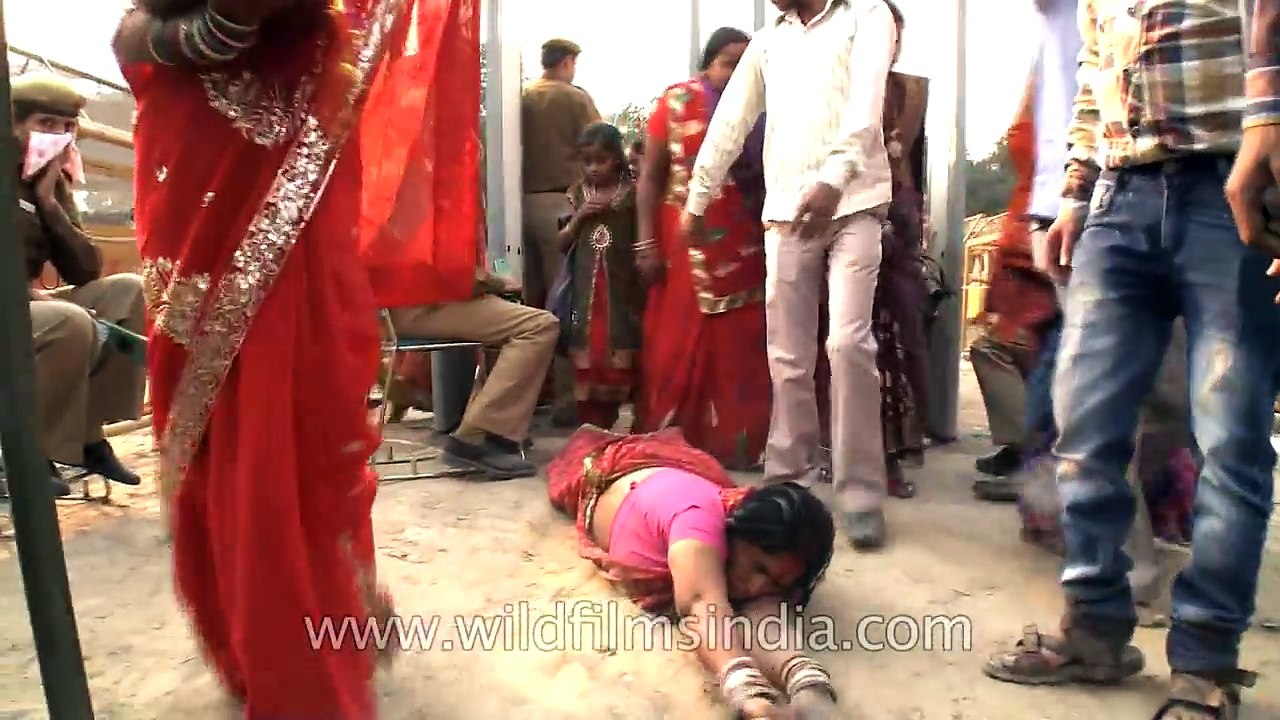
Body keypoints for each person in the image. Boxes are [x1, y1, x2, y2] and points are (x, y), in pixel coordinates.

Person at [115, 0, 478, 715]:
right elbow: (138, 24)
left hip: (295, 188)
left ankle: (321, 620)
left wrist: (200, 28)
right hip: (204, 182)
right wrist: (195, 31)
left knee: (301, 419)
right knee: (236, 430)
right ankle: (282, 633)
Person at [982, 2, 1280, 716]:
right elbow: (1096, 77)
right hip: (1121, 193)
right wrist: (1075, 195)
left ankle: (1205, 661)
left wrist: (1269, 118)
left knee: (1230, 439)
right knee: (1083, 428)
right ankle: (1095, 629)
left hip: (1234, 182)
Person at [682, 0, 899, 549]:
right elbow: (731, 119)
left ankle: (860, 493)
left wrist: (833, 179)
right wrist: (698, 196)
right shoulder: (767, 42)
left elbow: (865, 110)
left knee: (848, 344)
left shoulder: (866, 16)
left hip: (855, 202)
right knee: (787, 354)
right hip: (787, 212)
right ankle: (789, 483)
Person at [546, 425, 838, 719]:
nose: (754, 587)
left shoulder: (750, 551)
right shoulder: (697, 522)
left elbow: (763, 608)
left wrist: (808, 684)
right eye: (757, 567)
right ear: (734, 531)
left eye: (774, 582)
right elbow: (703, 606)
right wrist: (749, 695)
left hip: (685, 479)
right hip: (633, 468)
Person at [633, 28, 770, 469]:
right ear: (707, 64)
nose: (736, 73)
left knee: (742, 345)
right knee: (677, 340)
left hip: (750, 247)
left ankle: (740, 445)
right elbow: (651, 178)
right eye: (729, 63)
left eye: (745, 64)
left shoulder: (768, 109)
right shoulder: (676, 103)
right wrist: (645, 242)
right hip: (686, 242)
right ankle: (674, 439)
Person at [16, 74, 147, 496]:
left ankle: (89, 438)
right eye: (45, 124)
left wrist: (48, 202)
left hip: (23, 304)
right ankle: (30, 452)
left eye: (67, 127)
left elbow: (84, 271)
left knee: (126, 292)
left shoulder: (48, 179)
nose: (57, 136)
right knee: (69, 322)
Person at [388, 268, 557, 479]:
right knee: (539, 325)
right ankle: (481, 435)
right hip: (417, 305)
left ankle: (501, 424)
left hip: (391, 306)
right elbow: (453, 273)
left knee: (506, 314)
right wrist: (494, 283)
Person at [522, 38, 602, 426]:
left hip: (520, 204)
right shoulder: (574, 99)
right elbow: (602, 146)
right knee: (568, 300)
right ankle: (568, 399)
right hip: (562, 206)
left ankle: (528, 394)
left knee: (529, 303)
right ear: (568, 62)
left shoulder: (521, 97)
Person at [557, 122, 645, 429]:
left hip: (623, 292)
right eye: (587, 161)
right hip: (585, 294)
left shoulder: (633, 196)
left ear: (618, 159)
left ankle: (625, 420)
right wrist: (581, 218)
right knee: (589, 354)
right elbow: (561, 242)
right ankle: (592, 426)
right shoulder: (578, 195)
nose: (593, 168)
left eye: (601, 160)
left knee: (623, 349)